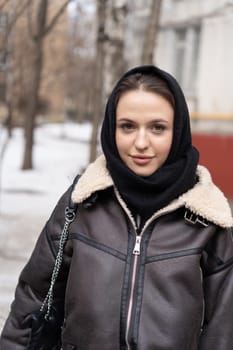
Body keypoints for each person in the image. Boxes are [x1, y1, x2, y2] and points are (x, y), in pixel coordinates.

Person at [1, 65, 233, 350]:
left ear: (179, 131)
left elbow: (223, 330)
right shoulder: (82, 202)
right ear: (112, 128)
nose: (141, 142)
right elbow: (34, 298)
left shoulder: (207, 218)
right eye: (128, 126)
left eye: (157, 128)